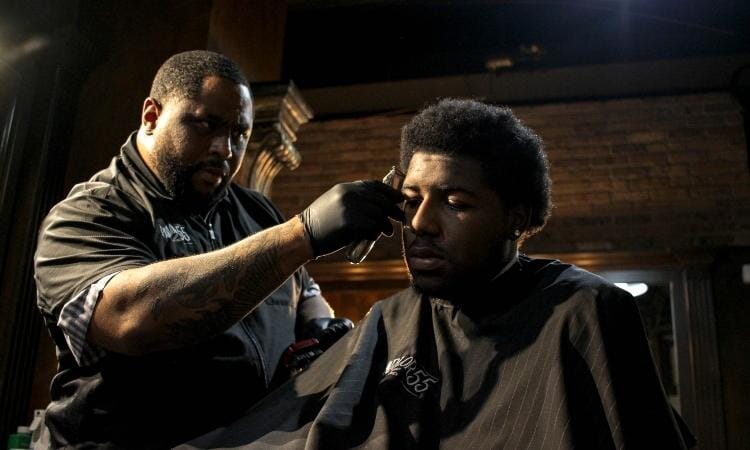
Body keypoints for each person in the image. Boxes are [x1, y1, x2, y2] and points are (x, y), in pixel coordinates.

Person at [180, 99, 696, 449]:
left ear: (517, 216)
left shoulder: (585, 313)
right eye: (411, 200)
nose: (421, 224)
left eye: (455, 203)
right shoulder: (391, 318)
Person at [33, 50, 403, 449]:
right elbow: (132, 318)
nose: (225, 149)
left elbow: (303, 293)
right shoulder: (90, 213)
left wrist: (319, 329)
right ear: (152, 116)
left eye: (239, 133)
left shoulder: (255, 210)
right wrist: (302, 235)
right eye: (206, 125)